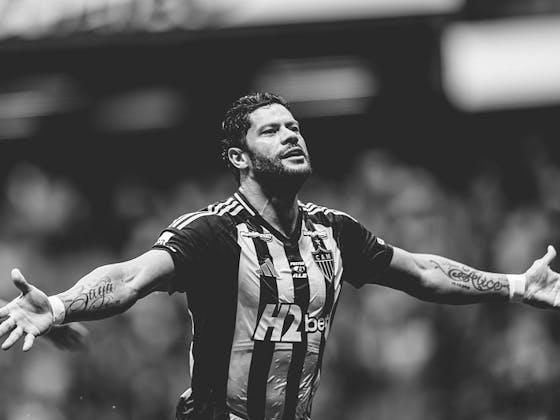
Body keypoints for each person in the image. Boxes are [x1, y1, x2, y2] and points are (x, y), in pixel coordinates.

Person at [1, 92, 559, 420]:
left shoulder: (334, 232)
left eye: (294, 128)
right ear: (238, 157)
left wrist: (515, 285)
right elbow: (130, 277)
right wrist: (60, 305)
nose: (292, 136)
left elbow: (421, 272)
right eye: (271, 131)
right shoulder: (213, 233)